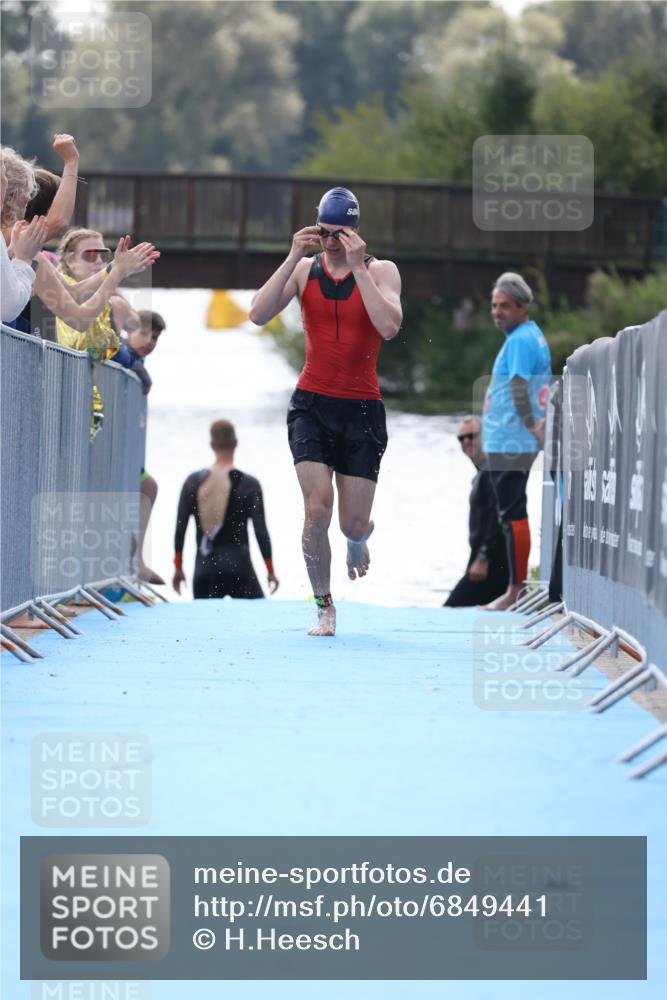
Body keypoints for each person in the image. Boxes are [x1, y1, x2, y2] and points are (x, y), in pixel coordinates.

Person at [249, 186, 402, 636]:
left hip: (362, 409)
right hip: (312, 403)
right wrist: (291, 255)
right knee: (316, 509)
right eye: (324, 231)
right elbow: (257, 314)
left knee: (350, 522)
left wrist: (359, 271)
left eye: (339, 232)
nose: (331, 241)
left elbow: (390, 326)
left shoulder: (382, 271)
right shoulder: (303, 270)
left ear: (356, 231)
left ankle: (358, 538)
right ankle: (324, 606)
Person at [480, 272, 552, 610]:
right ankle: (516, 588)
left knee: (511, 512)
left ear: (522, 307)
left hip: (513, 438)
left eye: (505, 306)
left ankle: (515, 590)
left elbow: (519, 386)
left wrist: (531, 424)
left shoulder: (522, 339)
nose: (497, 311)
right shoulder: (526, 335)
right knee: (510, 511)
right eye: (494, 305)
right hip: (508, 436)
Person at [173, 419, 279, 600]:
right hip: (240, 569)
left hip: (204, 570)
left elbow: (180, 529)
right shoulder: (249, 484)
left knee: (205, 626)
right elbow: (261, 532)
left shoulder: (192, 482)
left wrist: (178, 568)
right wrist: (270, 571)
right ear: (236, 443)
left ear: (211, 445)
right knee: (255, 621)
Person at [112, 310, 168, 585]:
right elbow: (111, 350)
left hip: (123, 447)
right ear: (130, 329)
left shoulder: (138, 359)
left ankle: (134, 560)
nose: (149, 341)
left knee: (148, 487)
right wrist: (139, 371)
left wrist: (139, 369)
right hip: (104, 445)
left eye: (155, 337)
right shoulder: (121, 350)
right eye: (144, 333)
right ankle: (114, 568)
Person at [444, 416, 509, 607]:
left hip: (493, 559)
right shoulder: (483, 472)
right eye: (461, 438)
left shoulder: (493, 470)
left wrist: (483, 557)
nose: (466, 442)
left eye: (471, 436)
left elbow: (497, 515)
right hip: (485, 557)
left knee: (451, 610)